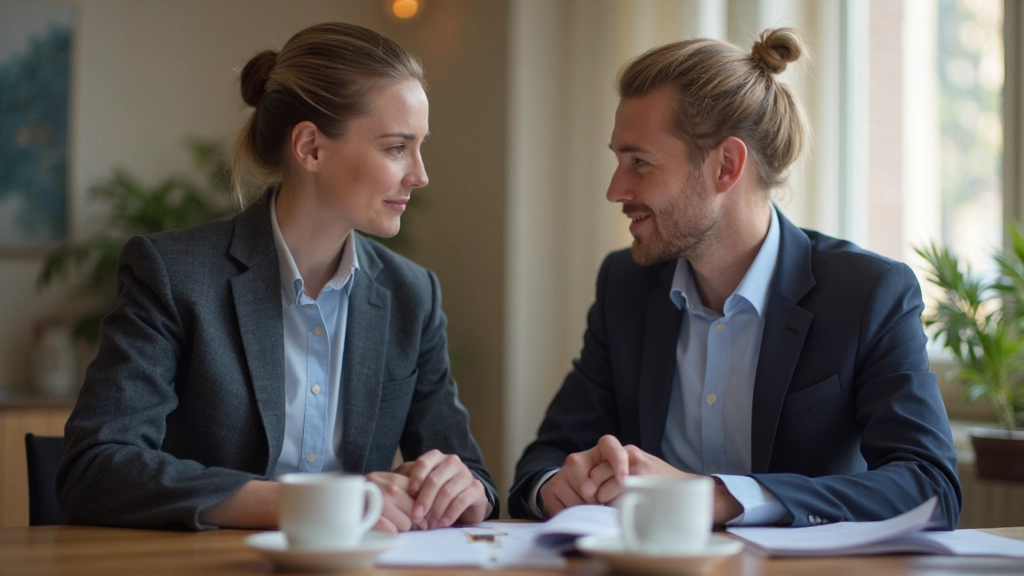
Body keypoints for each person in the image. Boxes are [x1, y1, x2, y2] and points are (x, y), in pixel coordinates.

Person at [510, 28, 962, 529]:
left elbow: (930, 487)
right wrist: (556, 485)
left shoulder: (868, 293)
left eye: (640, 163)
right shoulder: (625, 285)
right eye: (618, 160)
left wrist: (718, 498)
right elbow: (544, 458)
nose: (617, 189)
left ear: (726, 165)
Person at [57, 22, 497, 532]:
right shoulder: (173, 274)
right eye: (397, 148)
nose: (420, 174)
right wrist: (303, 505)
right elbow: (94, 467)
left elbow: (475, 477)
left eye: (419, 147)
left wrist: (465, 490)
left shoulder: (411, 295)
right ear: (310, 147)